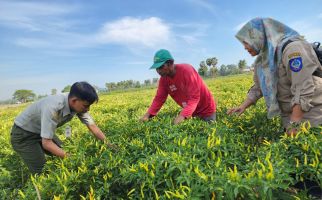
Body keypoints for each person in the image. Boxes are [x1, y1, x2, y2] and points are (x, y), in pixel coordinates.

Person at [227, 17, 322, 136]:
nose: (245, 47)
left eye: (246, 42)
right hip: (290, 116)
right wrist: (242, 106)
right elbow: (258, 87)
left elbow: (302, 88)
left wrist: (295, 122)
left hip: (313, 114)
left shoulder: (292, 48)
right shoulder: (263, 60)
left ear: (258, 36)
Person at [11, 81, 116, 174]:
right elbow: (47, 143)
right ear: (74, 101)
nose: (88, 109)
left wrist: (109, 144)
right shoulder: (53, 107)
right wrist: (73, 160)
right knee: (42, 170)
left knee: (63, 151)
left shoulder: (77, 102)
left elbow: (92, 126)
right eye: (86, 106)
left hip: (41, 130)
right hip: (23, 135)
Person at [140, 49, 216, 124]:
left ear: (170, 63)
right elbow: (159, 99)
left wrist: (182, 116)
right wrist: (148, 114)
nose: (158, 71)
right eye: (157, 68)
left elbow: (194, 98)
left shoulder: (187, 71)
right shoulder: (164, 79)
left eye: (161, 67)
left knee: (207, 132)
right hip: (191, 112)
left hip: (206, 110)